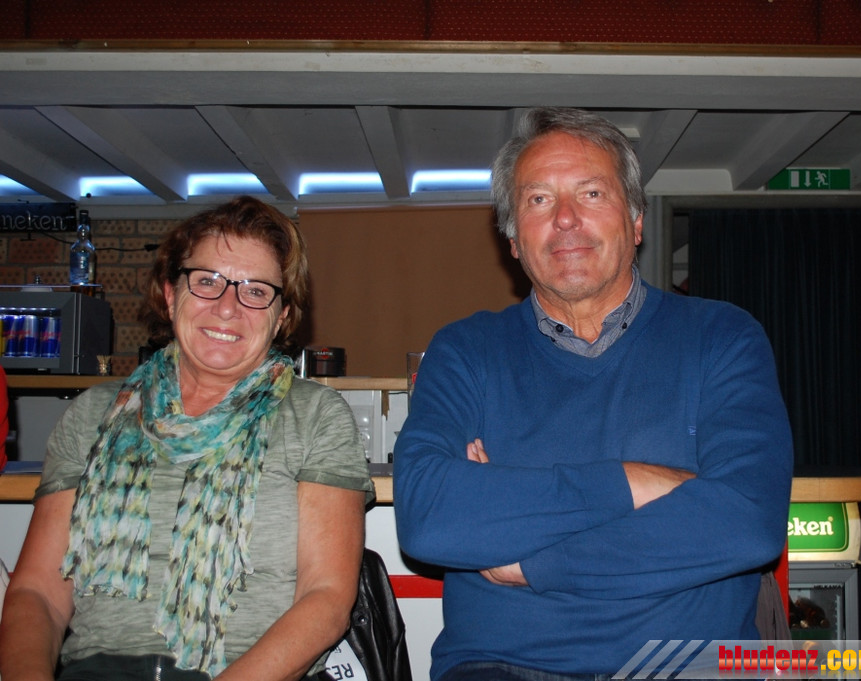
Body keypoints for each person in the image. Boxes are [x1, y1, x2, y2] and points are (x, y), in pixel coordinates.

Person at [393, 107, 793, 680]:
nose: (564, 219)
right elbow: (431, 519)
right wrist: (635, 482)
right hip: (503, 667)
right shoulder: (465, 351)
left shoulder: (723, 337)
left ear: (636, 221)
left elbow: (746, 521)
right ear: (513, 239)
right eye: (538, 200)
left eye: (591, 193)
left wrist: (535, 562)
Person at [0, 196, 374, 681]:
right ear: (171, 293)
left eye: (255, 290)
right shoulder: (92, 414)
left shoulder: (316, 417)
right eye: (207, 281)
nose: (227, 307)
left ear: (281, 316)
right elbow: (37, 594)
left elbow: (325, 601)